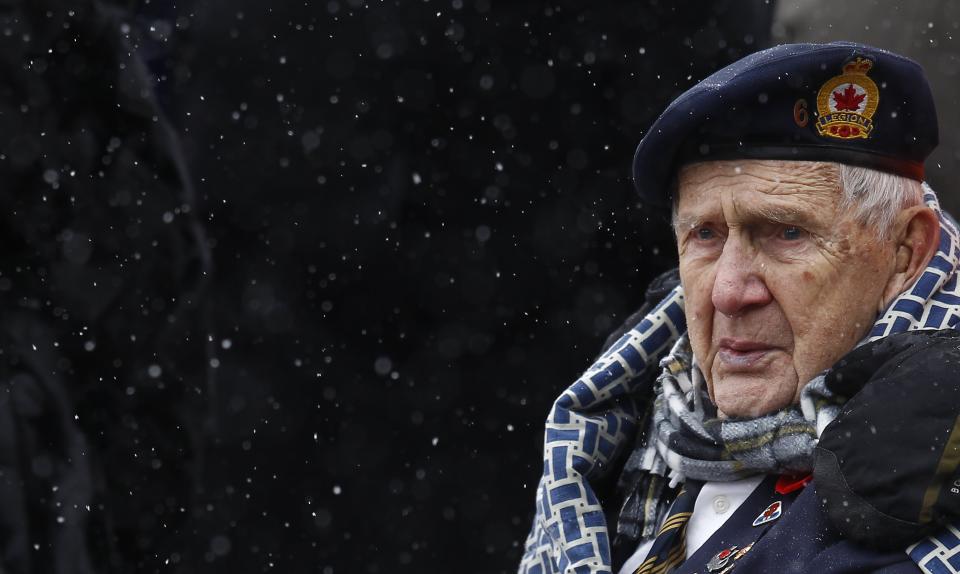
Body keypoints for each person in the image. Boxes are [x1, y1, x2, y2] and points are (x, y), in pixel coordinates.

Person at [519, 42, 960, 574]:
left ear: (904, 252)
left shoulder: (934, 482)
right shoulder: (633, 441)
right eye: (705, 234)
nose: (727, 291)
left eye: (787, 232)